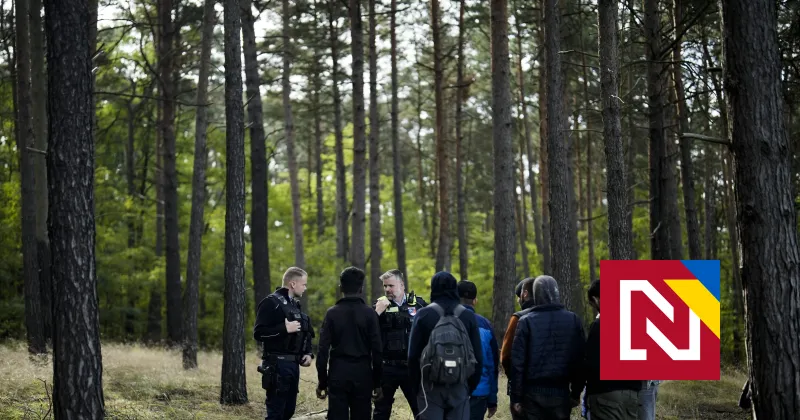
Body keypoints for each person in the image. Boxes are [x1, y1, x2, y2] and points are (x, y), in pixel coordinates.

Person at [408, 271, 484, 420]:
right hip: (459, 386)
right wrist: (469, 386)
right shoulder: (467, 316)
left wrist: (418, 387)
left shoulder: (423, 315)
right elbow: (478, 358)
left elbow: (412, 356)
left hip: (430, 388)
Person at [510, 275, 585, 420]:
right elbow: (580, 360)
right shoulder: (573, 320)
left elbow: (517, 364)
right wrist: (576, 393)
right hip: (561, 393)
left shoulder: (526, 321)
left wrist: (516, 398)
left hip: (532, 394)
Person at [315, 267, 384, 419]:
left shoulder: (332, 313)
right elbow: (377, 350)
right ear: (361, 288)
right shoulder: (370, 314)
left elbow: (322, 350)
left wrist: (322, 382)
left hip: (338, 373)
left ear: (341, 288)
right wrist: (377, 382)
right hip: (363, 374)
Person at [253, 267, 315, 420]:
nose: (305, 288)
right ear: (293, 284)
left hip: (293, 366)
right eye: (304, 284)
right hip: (277, 366)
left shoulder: (294, 305)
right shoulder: (270, 302)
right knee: (276, 413)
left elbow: (303, 332)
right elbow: (258, 333)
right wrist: (284, 328)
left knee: (288, 411)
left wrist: (307, 353)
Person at [373, 269, 428, 420]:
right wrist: (376, 312)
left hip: (411, 366)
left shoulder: (420, 305)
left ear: (402, 285)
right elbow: (366, 331)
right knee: (381, 411)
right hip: (387, 367)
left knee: (421, 410)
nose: (387, 289)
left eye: (391, 285)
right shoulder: (379, 306)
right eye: (385, 286)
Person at [583, 280, 640, 420]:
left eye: (592, 304)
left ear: (596, 299)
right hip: (632, 393)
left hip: (605, 395)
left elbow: (591, 365)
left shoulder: (598, 326)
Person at [457, 280, 499, 420]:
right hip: (479, 393)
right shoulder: (485, 325)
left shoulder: (444, 320)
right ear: (475, 301)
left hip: (451, 391)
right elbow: (493, 365)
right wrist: (492, 400)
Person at [500, 277, 535, 420]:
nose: (517, 300)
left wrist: (513, 378)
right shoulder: (563, 317)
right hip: (558, 391)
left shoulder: (518, 318)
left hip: (523, 390)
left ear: (524, 294)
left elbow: (506, 356)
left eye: (518, 296)